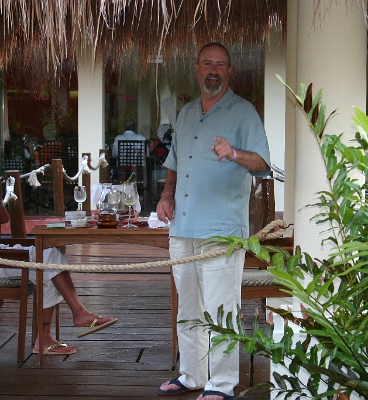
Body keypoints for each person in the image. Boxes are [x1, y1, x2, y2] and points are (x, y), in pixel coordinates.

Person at [156, 43, 270, 400]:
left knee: (221, 311)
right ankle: (191, 374)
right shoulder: (187, 112)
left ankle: (221, 384)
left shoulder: (244, 112)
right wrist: (166, 195)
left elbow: (264, 165)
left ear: (229, 71)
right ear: (196, 68)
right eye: (207, 63)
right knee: (188, 309)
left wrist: (234, 153)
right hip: (183, 228)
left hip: (222, 230)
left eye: (220, 65)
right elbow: (174, 163)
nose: (213, 70)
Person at [0, 148, 118, 356]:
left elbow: (2, 218)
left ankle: (56, 330)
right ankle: (73, 318)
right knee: (47, 263)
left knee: (50, 260)